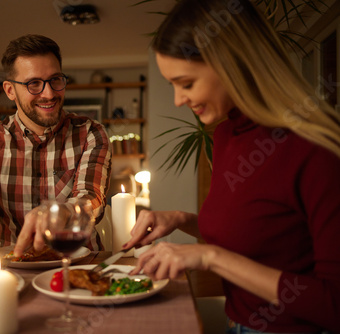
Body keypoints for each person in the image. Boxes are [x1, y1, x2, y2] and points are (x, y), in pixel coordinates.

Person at [124, 0, 340, 333]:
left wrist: (209, 257)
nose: (179, 100)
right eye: (173, 85)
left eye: (187, 83)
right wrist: (181, 220)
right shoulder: (227, 134)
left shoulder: (314, 149)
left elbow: (334, 305)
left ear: (232, 64)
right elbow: (255, 235)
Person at [0, 34, 112, 258]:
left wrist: (61, 212)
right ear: (10, 91)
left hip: (79, 263)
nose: (49, 93)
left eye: (55, 79)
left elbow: (91, 198)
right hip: (12, 268)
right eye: (33, 83)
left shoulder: (90, 133)